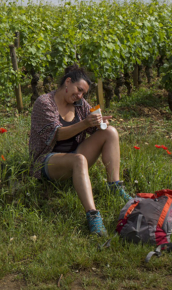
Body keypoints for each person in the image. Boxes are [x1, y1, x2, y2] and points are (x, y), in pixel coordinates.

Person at [28, 64, 130, 237]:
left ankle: (114, 186)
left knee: (110, 133)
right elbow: (57, 135)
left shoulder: (79, 104)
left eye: (83, 93)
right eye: (79, 90)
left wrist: (99, 124)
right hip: (46, 160)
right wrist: (85, 123)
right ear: (68, 82)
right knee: (79, 159)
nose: (80, 96)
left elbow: (91, 129)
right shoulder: (44, 103)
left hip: (74, 154)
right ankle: (93, 215)